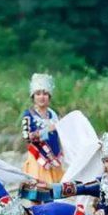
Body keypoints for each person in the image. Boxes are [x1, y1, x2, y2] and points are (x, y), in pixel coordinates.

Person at [19, 73, 64, 202]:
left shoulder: (53, 114)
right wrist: (46, 131)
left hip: (54, 156)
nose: (41, 97)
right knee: (37, 196)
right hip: (37, 157)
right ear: (33, 96)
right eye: (38, 94)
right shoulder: (28, 115)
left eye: (45, 94)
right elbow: (27, 136)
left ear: (49, 96)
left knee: (53, 195)